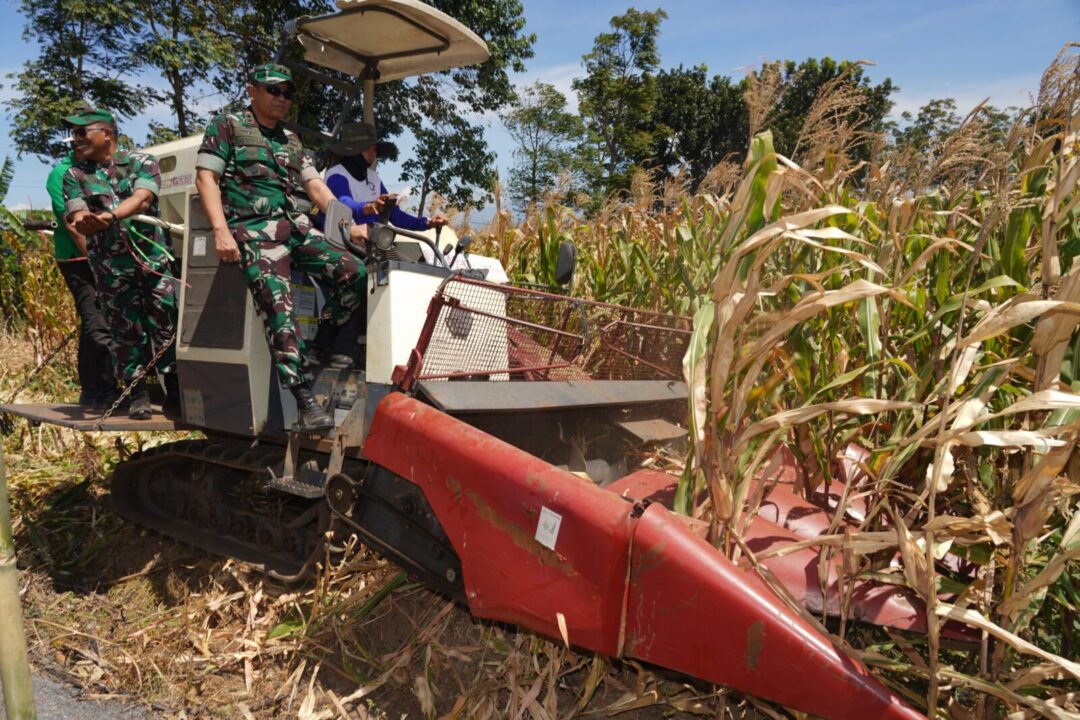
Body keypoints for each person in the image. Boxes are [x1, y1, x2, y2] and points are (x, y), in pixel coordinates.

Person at [194, 63, 365, 432]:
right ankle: (304, 400)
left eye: (287, 92)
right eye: (273, 90)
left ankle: (322, 338)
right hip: (255, 232)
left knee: (355, 273)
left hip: (296, 229)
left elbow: (317, 188)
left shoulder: (290, 139)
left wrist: (351, 227)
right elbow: (206, 177)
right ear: (252, 90)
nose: (281, 98)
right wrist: (221, 232)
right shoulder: (229, 126)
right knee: (280, 309)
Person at [61, 107, 180, 420]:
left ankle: (176, 389)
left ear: (106, 134)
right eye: (74, 134)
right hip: (111, 267)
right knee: (124, 329)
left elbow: (143, 198)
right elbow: (76, 211)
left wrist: (110, 216)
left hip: (151, 261)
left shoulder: (142, 162)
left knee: (165, 323)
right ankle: (137, 393)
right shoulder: (74, 174)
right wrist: (83, 219)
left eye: (82, 132)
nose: (76, 140)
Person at [46, 142, 117, 409]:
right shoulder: (61, 174)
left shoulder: (100, 170)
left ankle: (96, 390)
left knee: (100, 321)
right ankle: (100, 389)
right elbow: (75, 225)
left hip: (105, 255)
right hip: (79, 258)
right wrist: (98, 262)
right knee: (96, 321)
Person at [324, 122, 448, 231]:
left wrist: (427, 222)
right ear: (352, 150)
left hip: (369, 242)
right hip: (340, 239)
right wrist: (368, 207)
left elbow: (395, 215)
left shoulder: (374, 178)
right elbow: (344, 203)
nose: (373, 154)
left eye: (374, 149)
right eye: (367, 148)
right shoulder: (336, 175)